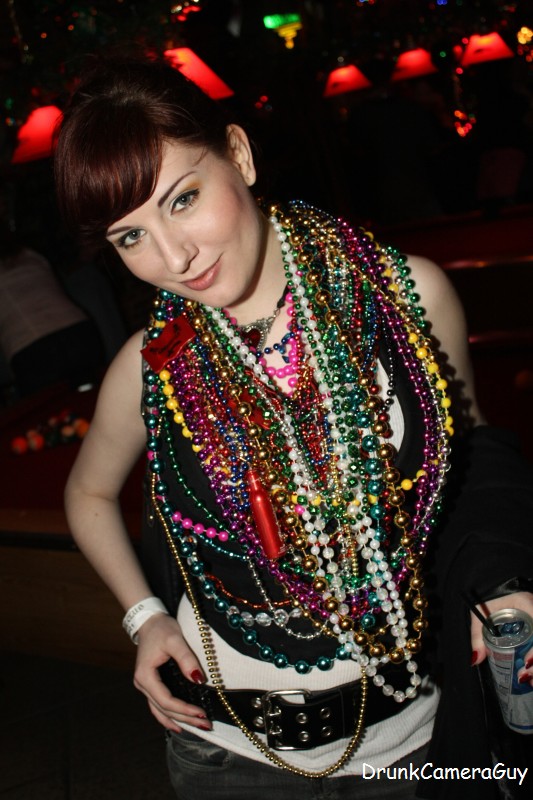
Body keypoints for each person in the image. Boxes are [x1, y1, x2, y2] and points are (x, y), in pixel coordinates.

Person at [54, 57, 533, 799]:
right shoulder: (149, 365)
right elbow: (86, 493)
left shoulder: (409, 297)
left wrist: (504, 585)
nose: (174, 258)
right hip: (225, 759)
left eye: (183, 199)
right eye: (130, 236)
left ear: (238, 155)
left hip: (412, 742)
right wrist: (145, 618)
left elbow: (472, 463)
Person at [0, 220, 105, 396]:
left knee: (56, 410)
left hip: (33, 348)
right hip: (78, 333)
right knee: (97, 399)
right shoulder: (29, 253)